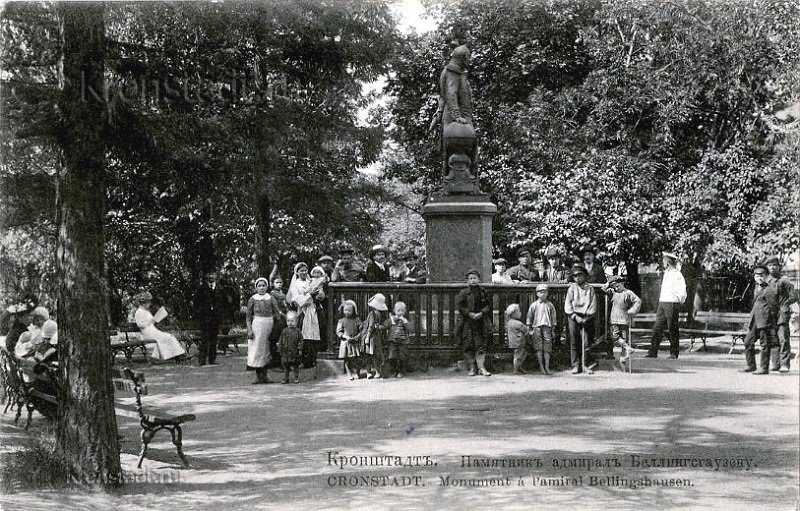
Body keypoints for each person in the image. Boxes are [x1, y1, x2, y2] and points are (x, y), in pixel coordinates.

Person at [646, 252, 687, 359]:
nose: (663, 262)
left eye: (664, 260)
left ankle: (674, 352)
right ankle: (653, 352)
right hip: (663, 302)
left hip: (672, 303)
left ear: (668, 262)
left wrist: (678, 302)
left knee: (672, 328)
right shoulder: (666, 274)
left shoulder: (677, 274)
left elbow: (682, 291)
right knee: (657, 328)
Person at [740, 264, 780, 374]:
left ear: (767, 276)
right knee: (748, 342)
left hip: (765, 321)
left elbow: (773, 307)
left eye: (761, 275)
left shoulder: (769, 289)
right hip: (754, 321)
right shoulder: (756, 288)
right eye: (756, 276)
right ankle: (751, 365)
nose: (759, 277)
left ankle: (764, 368)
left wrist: (771, 321)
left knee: (764, 344)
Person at [456, 269, 493, 376]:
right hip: (468, 322)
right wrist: (470, 314)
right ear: (467, 281)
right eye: (470, 279)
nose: (473, 280)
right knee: (468, 345)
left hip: (481, 322)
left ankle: (481, 367)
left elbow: (487, 305)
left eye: (475, 278)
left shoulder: (483, 292)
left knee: (480, 344)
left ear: (478, 279)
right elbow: (460, 306)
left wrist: (481, 313)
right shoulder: (464, 293)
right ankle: (472, 368)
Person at [286, 263, 321, 370]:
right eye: (301, 271)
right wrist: (310, 294)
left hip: (313, 309)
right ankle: (300, 361)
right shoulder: (295, 285)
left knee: (313, 335)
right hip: (302, 311)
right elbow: (298, 301)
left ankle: (311, 360)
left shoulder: (310, 282)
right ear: (296, 272)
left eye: (306, 270)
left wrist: (317, 295)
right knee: (303, 335)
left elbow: (319, 294)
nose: (304, 272)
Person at [765, 256, 797, 372]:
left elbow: (794, 296)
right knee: (773, 339)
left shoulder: (784, 280)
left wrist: (785, 305)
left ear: (779, 267)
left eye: (775, 265)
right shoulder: (766, 281)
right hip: (770, 314)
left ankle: (785, 364)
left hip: (782, 314)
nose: (772, 267)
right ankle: (775, 363)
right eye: (770, 265)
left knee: (783, 339)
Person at [134, 292, 187, 362]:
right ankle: (178, 355)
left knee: (169, 336)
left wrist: (155, 319)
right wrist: (149, 322)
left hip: (152, 331)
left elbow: (151, 321)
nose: (149, 304)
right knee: (167, 337)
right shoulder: (139, 312)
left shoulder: (146, 311)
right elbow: (140, 325)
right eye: (148, 303)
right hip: (147, 333)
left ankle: (178, 355)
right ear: (144, 303)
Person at [564, 265, 597, 374]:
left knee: (586, 342)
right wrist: (575, 316)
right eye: (575, 276)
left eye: (580, 275)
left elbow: (593, 305)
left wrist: (587, 317)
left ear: (584, 276)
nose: (577, 278)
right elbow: (568, 305)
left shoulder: (590, 288)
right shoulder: (572, 288)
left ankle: (585, 365)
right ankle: (575, 365)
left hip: (587, 317)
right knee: (574, 340)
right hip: (574, 316)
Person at [246, 277, 278, 384]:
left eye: (264, 285)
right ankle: (258, 375)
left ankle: (265, 375)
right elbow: (248, 317)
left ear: (267, 286)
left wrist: (277, 324)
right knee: (256, 349)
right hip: (257, 325)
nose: (261, 288)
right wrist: (249, 330)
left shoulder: (271, 298)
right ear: (256, 287)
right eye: (259, 286)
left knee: (266, 349)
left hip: (269, 323)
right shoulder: (253, 299)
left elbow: (277, 312)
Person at [604, 275, 642, 364]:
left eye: (618, 286)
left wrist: (633, 310)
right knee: (615, 336)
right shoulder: (613, 293)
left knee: (624, 338)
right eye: (615, 287)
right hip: (614, 319)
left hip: (624, 319)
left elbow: (637, 301)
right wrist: (608, 284)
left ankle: (623, 356)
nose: (616, 288)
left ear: (623, 283)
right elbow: (603, 289)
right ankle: (628, 348)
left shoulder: (628, 293)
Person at [193, 271, 225, 366]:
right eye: (209, 274)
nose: (211, 276)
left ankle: (212, 359)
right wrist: (200, 313)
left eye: (213, 274)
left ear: (216, 276)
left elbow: (224, 303)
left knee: (214, 340)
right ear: (206, 275)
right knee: (204, 339)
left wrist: (221, 314)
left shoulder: (221, 289)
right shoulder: (202, 288)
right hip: (205, 318)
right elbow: (196, 303)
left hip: (216, 318)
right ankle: (202, 360)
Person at [527, 284, 557, 375]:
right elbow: (529, 316)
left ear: (547, 293)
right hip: (537, 327)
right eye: (540, 292)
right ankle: (541, 366)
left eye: (545, 292)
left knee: (547, 348)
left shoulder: (550, 305)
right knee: (538, 347)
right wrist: (529, 328)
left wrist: (553, 329)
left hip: (547, 327)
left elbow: (553, 318)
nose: (543, 294)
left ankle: (547, 366)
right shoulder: (534, 305)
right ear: (537, 294)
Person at [361, 293, 389, 379]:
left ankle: (369, 372)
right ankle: (377, 372)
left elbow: (371, 326)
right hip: (377, 337)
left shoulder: (372, 314)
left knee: (369, 355)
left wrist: (367, 337)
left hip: (371, 337)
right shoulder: (379, 314)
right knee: (376, 355)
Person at [336, 300, 362, 380]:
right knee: (347, 359)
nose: (347, 312)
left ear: (353, 310)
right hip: (346, 342)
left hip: (355, 342)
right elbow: (338, 331)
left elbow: (362, 329)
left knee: (357, 359)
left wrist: (358, 336)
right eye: (345, 310)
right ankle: (349, 373)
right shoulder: (341, 321)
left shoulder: (357, 320)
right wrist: (344, 336)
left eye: (349, 310)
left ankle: (357, 373)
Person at [386, 301, 411, 378]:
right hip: (393, 342)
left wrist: (405, 322)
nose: (400, 312)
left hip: (402, 342)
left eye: (402, 311)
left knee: (402, 357)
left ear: (405, 311)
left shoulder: (404, 320)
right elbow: (386, 325)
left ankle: (401, 371)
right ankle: (394, 371)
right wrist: (391, 320)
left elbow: (409, 328)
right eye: (398, 310)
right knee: (392, 356)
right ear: (394, 311)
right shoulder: (392, 319)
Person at [278, 311, 303, 384]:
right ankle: (286, 378)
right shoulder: (284, 331)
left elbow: (301, 340)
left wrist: (300, 349)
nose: (290, 323)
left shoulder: (298, 331)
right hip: (286, 352)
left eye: (292, 321)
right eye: (288, 321)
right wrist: (280, 347)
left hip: (294, 351)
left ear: (296, 322)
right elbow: (281, 340)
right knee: (286, 367)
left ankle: (296, 378)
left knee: (295, 366)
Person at [269, 274, 289, 367]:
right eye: (277, 282)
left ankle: (282, 360)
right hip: (277, 317)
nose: (279, 284)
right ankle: (275, 360)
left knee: (283, 338)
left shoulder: (282, 293)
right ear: (273, 284)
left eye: (280, 282)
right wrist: (282, 314)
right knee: (275, 338)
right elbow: (275, 307)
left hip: (284, 317)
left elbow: (285, 305)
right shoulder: (272, 294)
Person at [505, 303, 528, 374]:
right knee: (518, 356)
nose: (520, 313)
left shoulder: (509, 323)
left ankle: (518, 367)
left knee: (520, 355)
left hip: (513, 342)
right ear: (514, 314)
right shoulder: (518, 323)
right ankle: (515, 370)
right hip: (519, 342)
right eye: (519, 311)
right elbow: (525, 330)